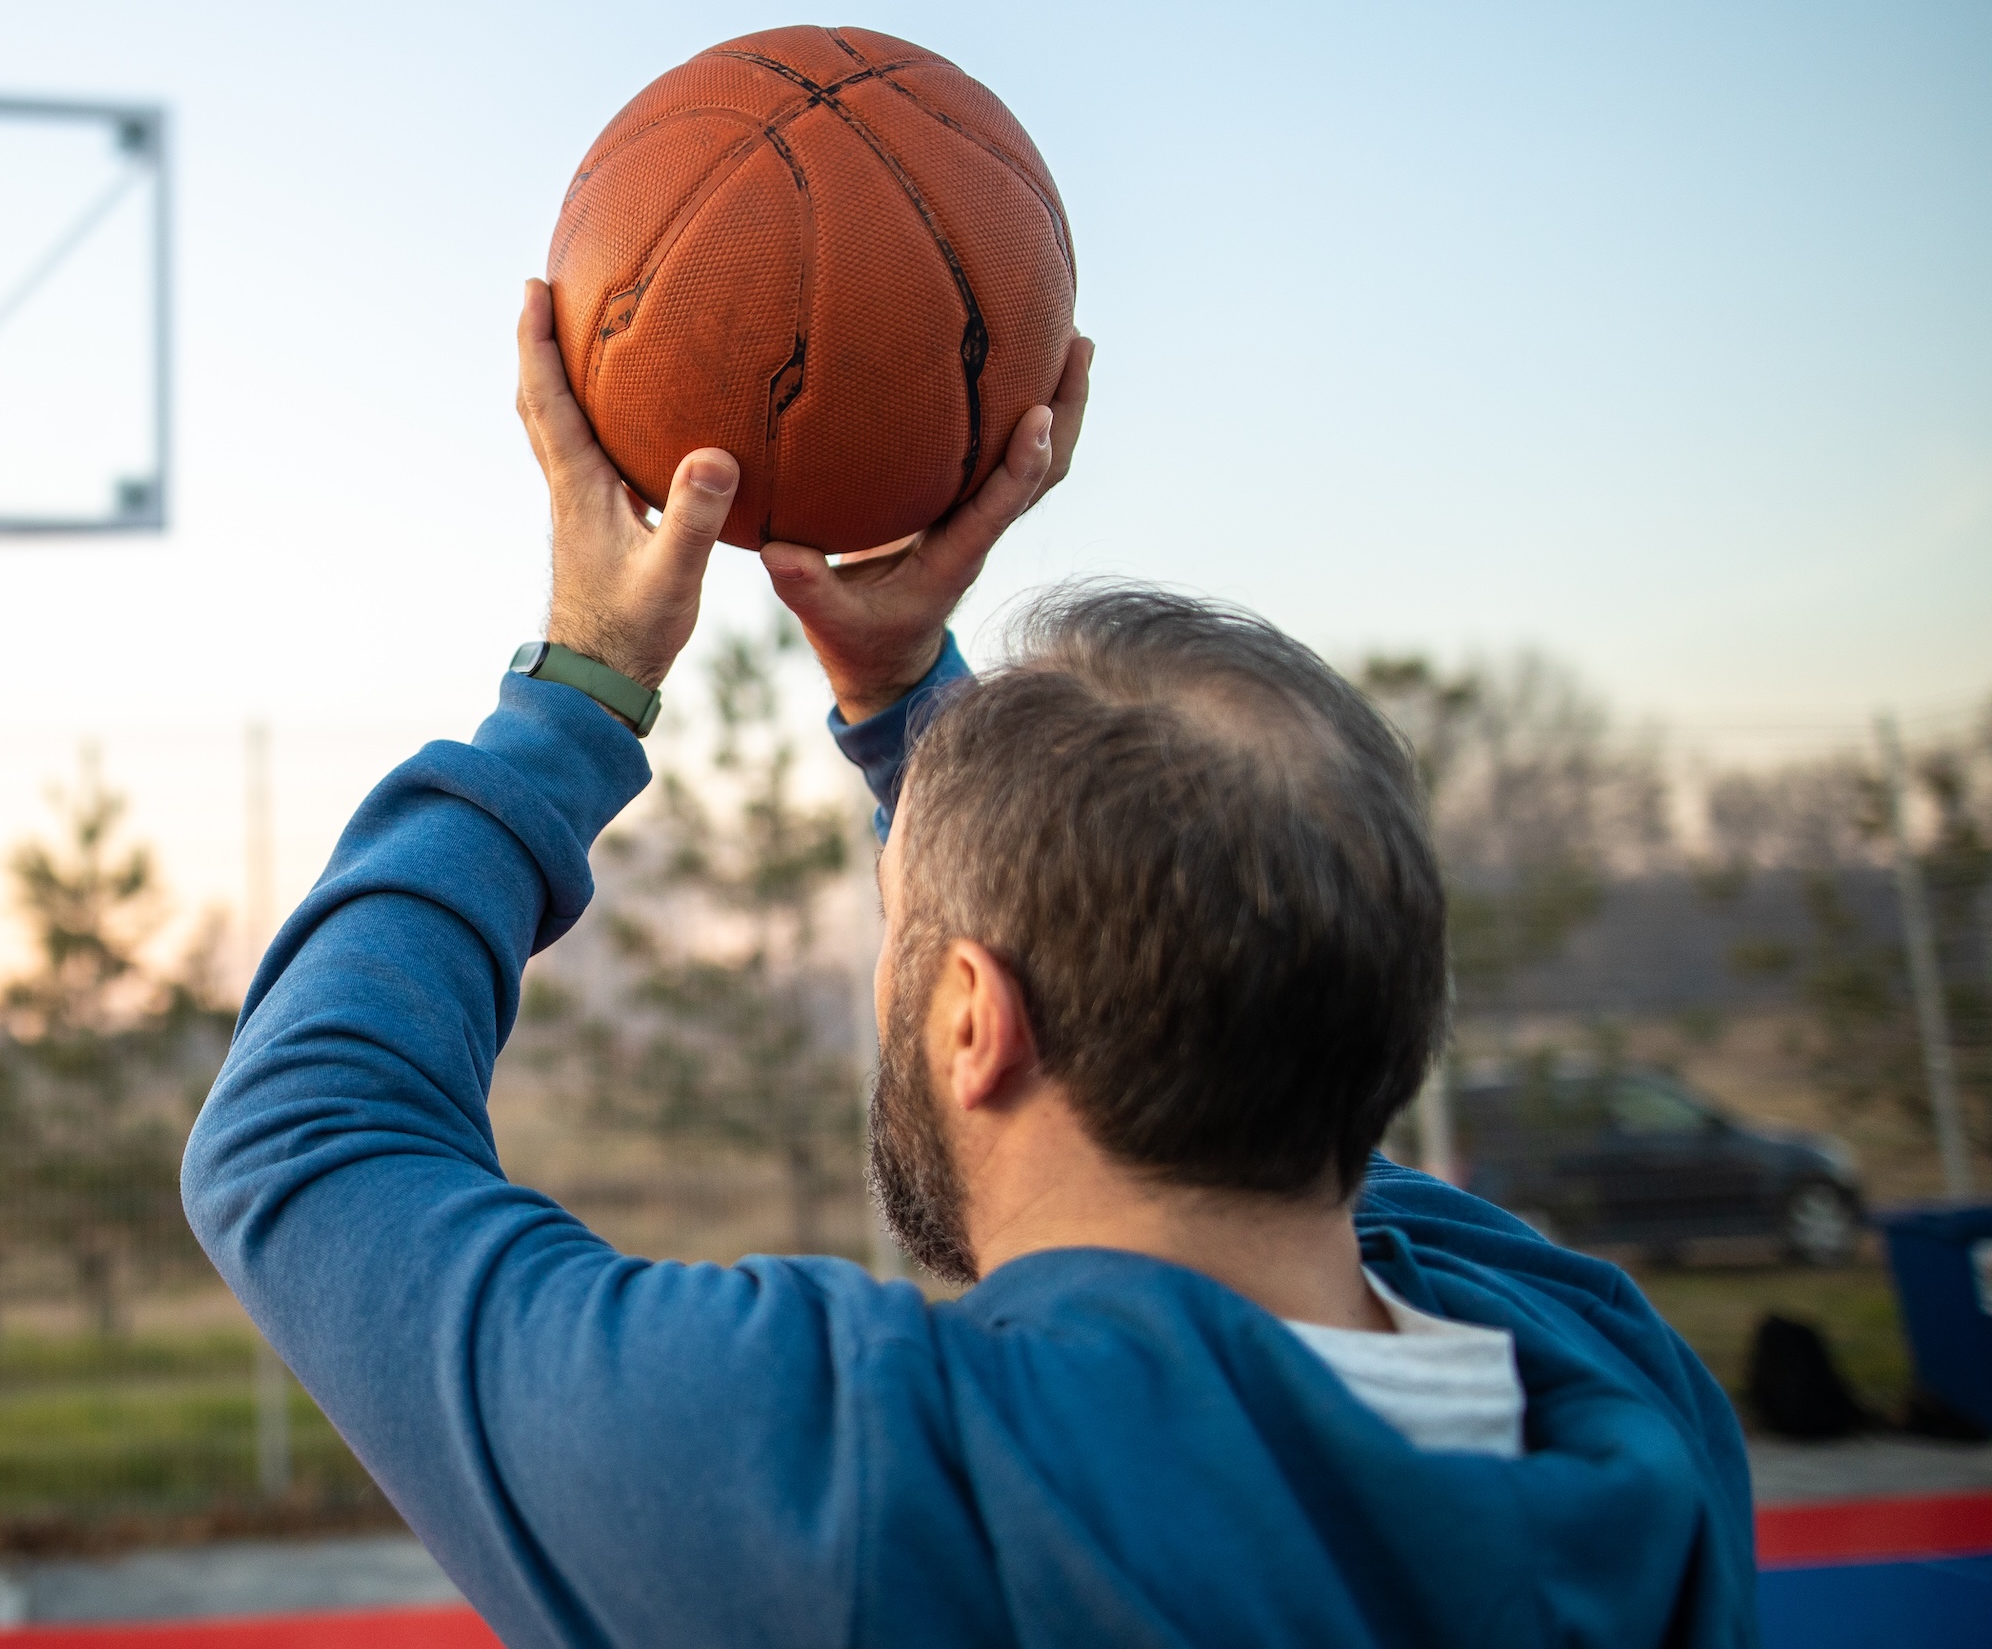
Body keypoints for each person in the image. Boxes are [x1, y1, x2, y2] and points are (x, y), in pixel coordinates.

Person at [180, 282, 1752, 1647]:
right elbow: (1251, 1002)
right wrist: (913, 696)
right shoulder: (1616, 1385)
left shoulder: (854, 1484)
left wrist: (582, 684)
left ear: (973, 1021)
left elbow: (303, 1135)